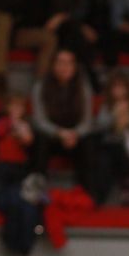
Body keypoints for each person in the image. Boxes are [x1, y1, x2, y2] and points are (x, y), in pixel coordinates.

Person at [30, 48, 102, 203]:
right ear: (53, 65)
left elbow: (87, 121)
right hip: (52, 136)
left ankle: (87, 195)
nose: (65, 67)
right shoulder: (40, 87)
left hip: (76, 137)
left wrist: (74, 134)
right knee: (39, 139)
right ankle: (37, 192)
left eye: (69, 63)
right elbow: (39, 120)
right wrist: (59, 133)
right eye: (61, 62)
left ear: (75, 67)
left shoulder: (84, 87)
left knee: (90, 142)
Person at [42, 0, 102, 91]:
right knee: (73, 34)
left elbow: (94, 13)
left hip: (78, 33)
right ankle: (89, 77)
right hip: (56, 31)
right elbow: (44, 15)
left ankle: (77, 80)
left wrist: (84, 26)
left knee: (77, 36)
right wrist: (65, 20)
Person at [97, 71, 129, 207]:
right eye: (115, 87)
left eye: (122, 87)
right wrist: (115, 116)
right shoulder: (106, 107)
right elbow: (100, 126)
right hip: (112, 143)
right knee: (123, 151)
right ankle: (126, 187)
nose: (119, 91)